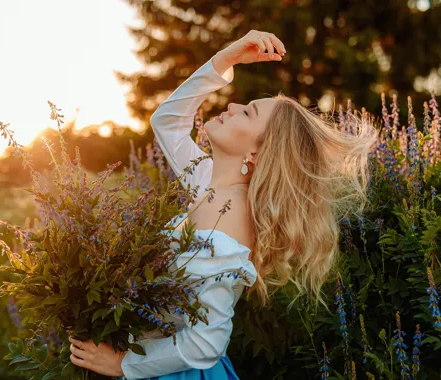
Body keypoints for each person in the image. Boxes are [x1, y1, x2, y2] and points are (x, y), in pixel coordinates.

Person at [68, 29, 377, 379]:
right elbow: (167, 122)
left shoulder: (228, 222)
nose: (232, 106)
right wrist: (225, 59)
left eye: (247, 113)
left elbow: (205, 342)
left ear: (257, 153)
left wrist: (125, 365)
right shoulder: (210, 181)